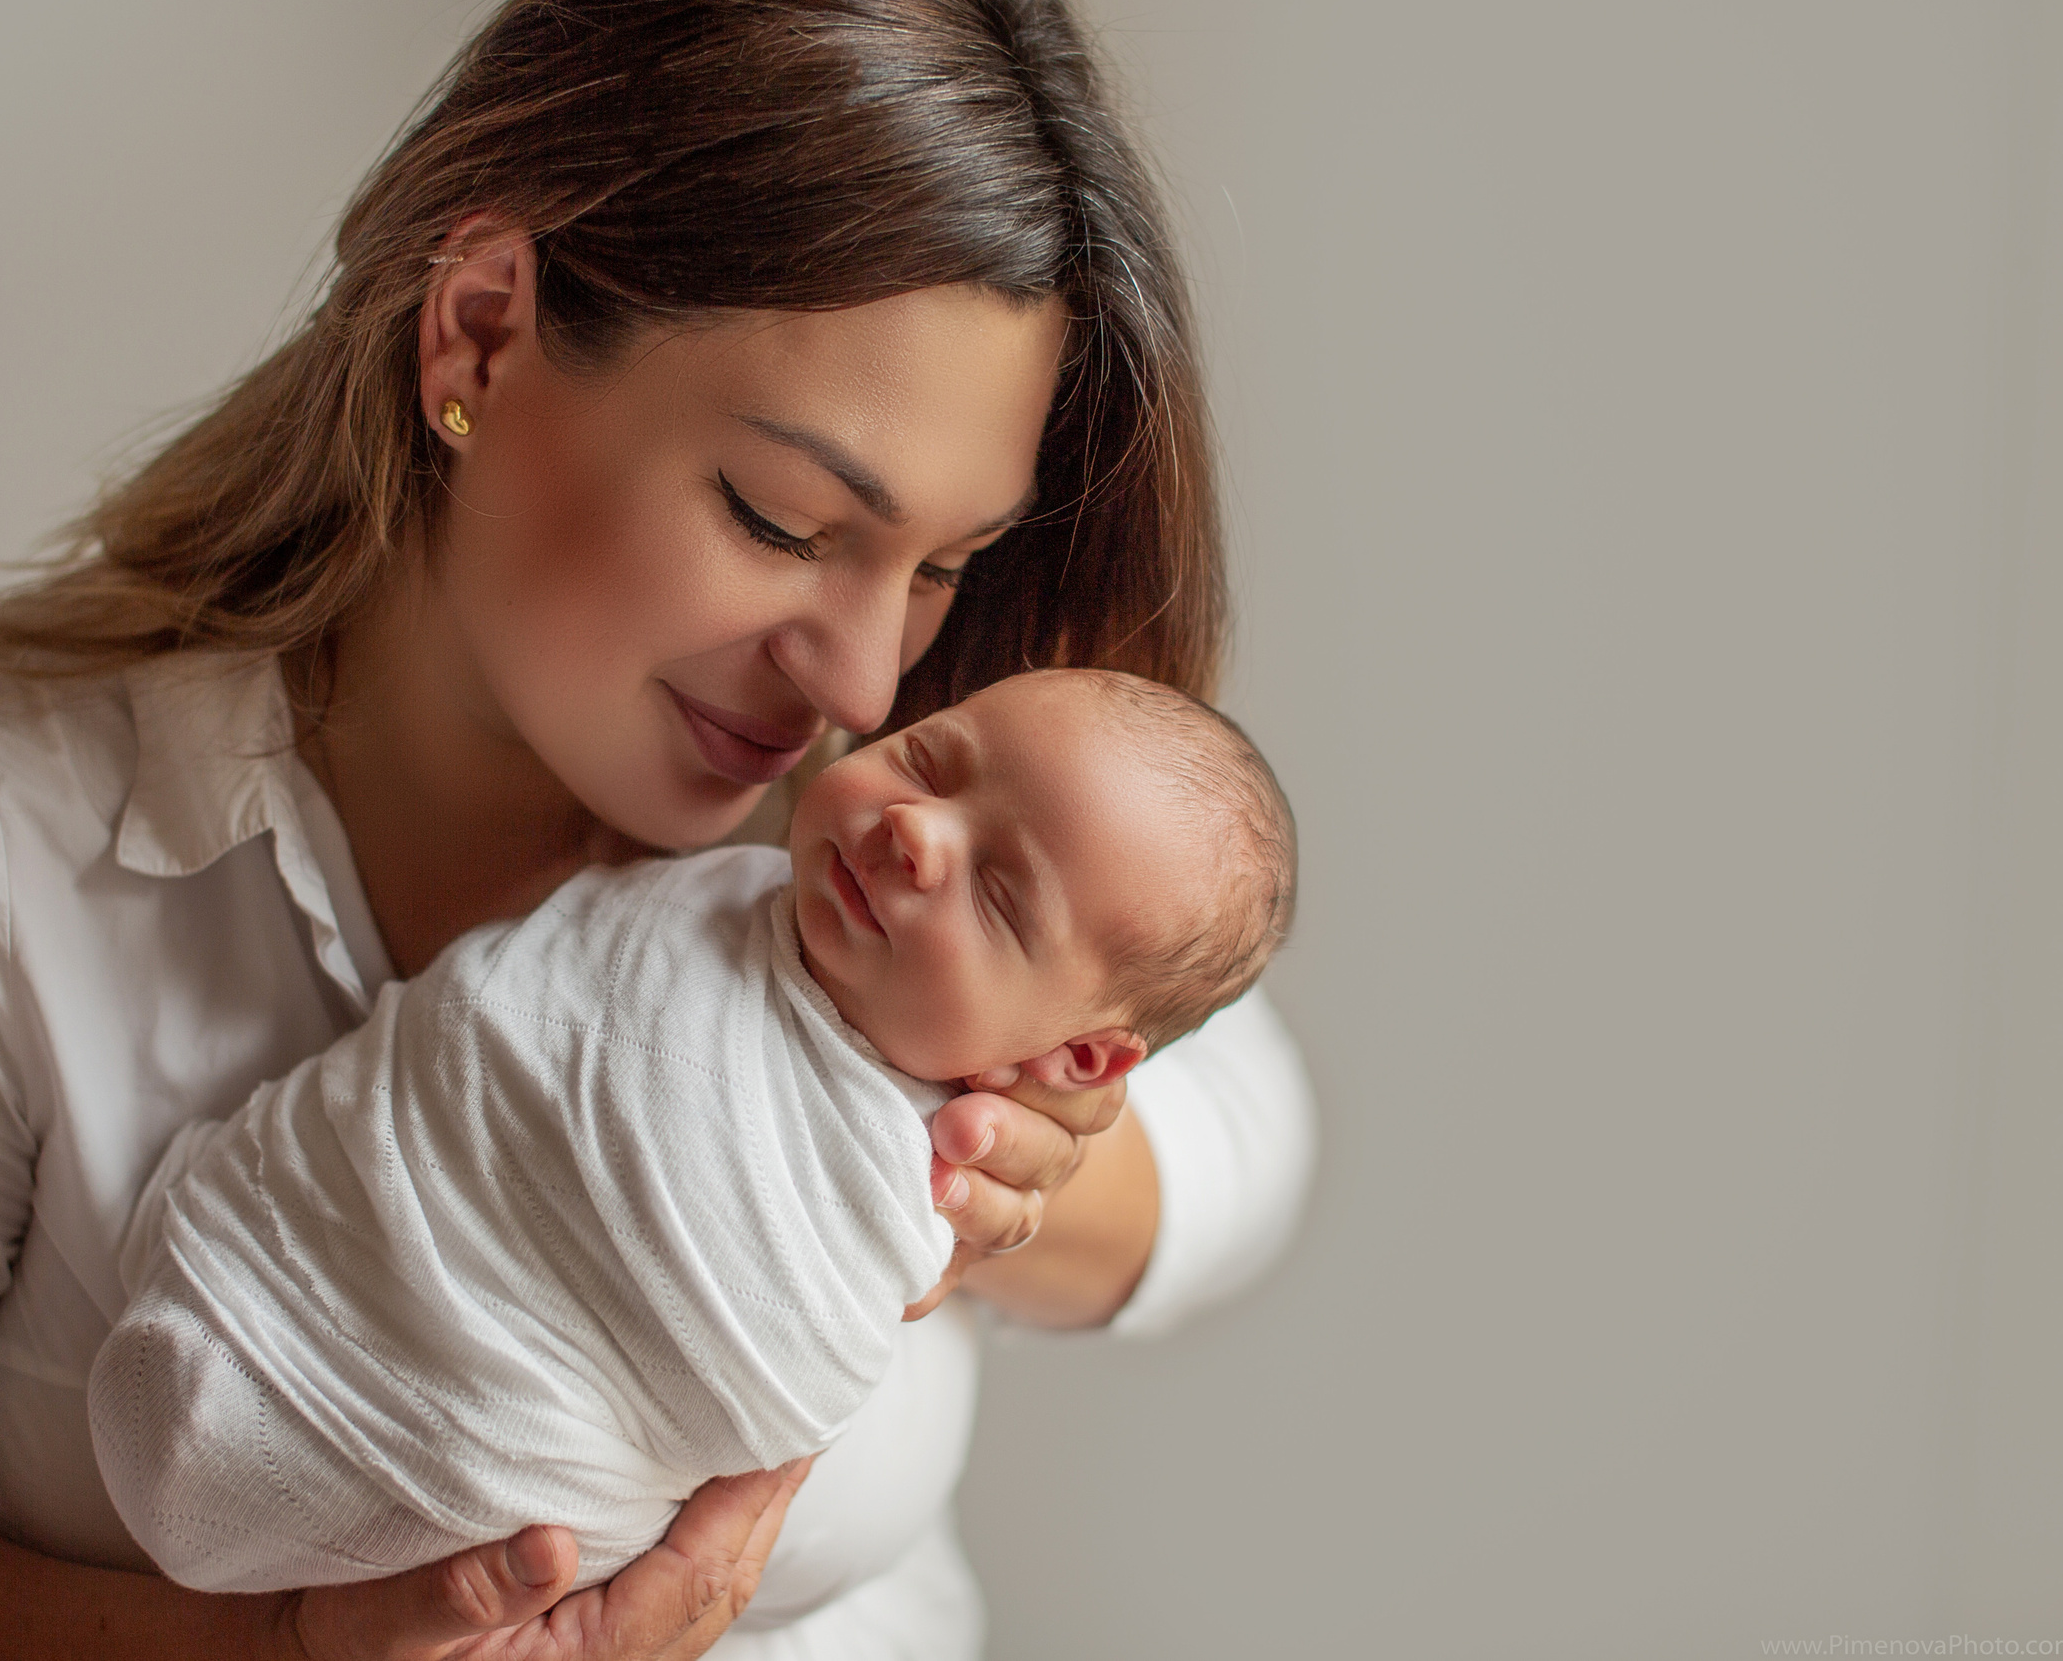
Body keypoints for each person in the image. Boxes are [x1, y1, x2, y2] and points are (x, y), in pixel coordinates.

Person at [0, 0, 1316, 1658]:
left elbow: (1244, 1121)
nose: (863, 681)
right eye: (783, 519)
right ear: (479, 335)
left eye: (943, 565)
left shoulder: (901, 834)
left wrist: (1001, 1179)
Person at [89, 669, 1296, 1597]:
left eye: (996, 890)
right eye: (930, 758)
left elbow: (755, 1378)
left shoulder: (890, 1188)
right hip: (263, 1267)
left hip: (430, 1461)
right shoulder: (724, 897)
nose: (919, 830)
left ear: (1080, 1063)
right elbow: (489, 1034)